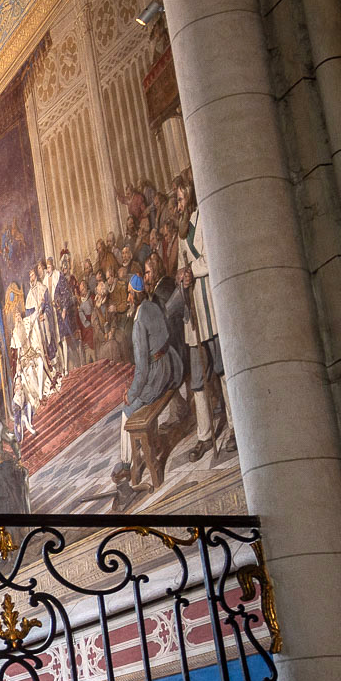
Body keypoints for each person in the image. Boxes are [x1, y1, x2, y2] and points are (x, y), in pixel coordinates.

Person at [114, 270, 188, 498]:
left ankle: (127, 465)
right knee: (139, 400)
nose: (127, 298)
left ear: (136, 296)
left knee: (127, 412)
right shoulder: (152, 306)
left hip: (158, 373)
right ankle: (144, 448)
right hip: (171, 362)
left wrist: (131, 392)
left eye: (129, 294)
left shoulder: (138, 322)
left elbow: (143, 370)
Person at [174, 180, 229, 460]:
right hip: (192, 315)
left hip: (210, 308)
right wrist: (181, 275)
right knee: (197, 378)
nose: (178, 204)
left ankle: (234, 425)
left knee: (222, 368)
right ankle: (205, 436)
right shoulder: (181, 231)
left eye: (181, 199)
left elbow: (210, 258)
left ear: (191, 199)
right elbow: (178, 268)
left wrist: (191, 270)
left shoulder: (204, 219)